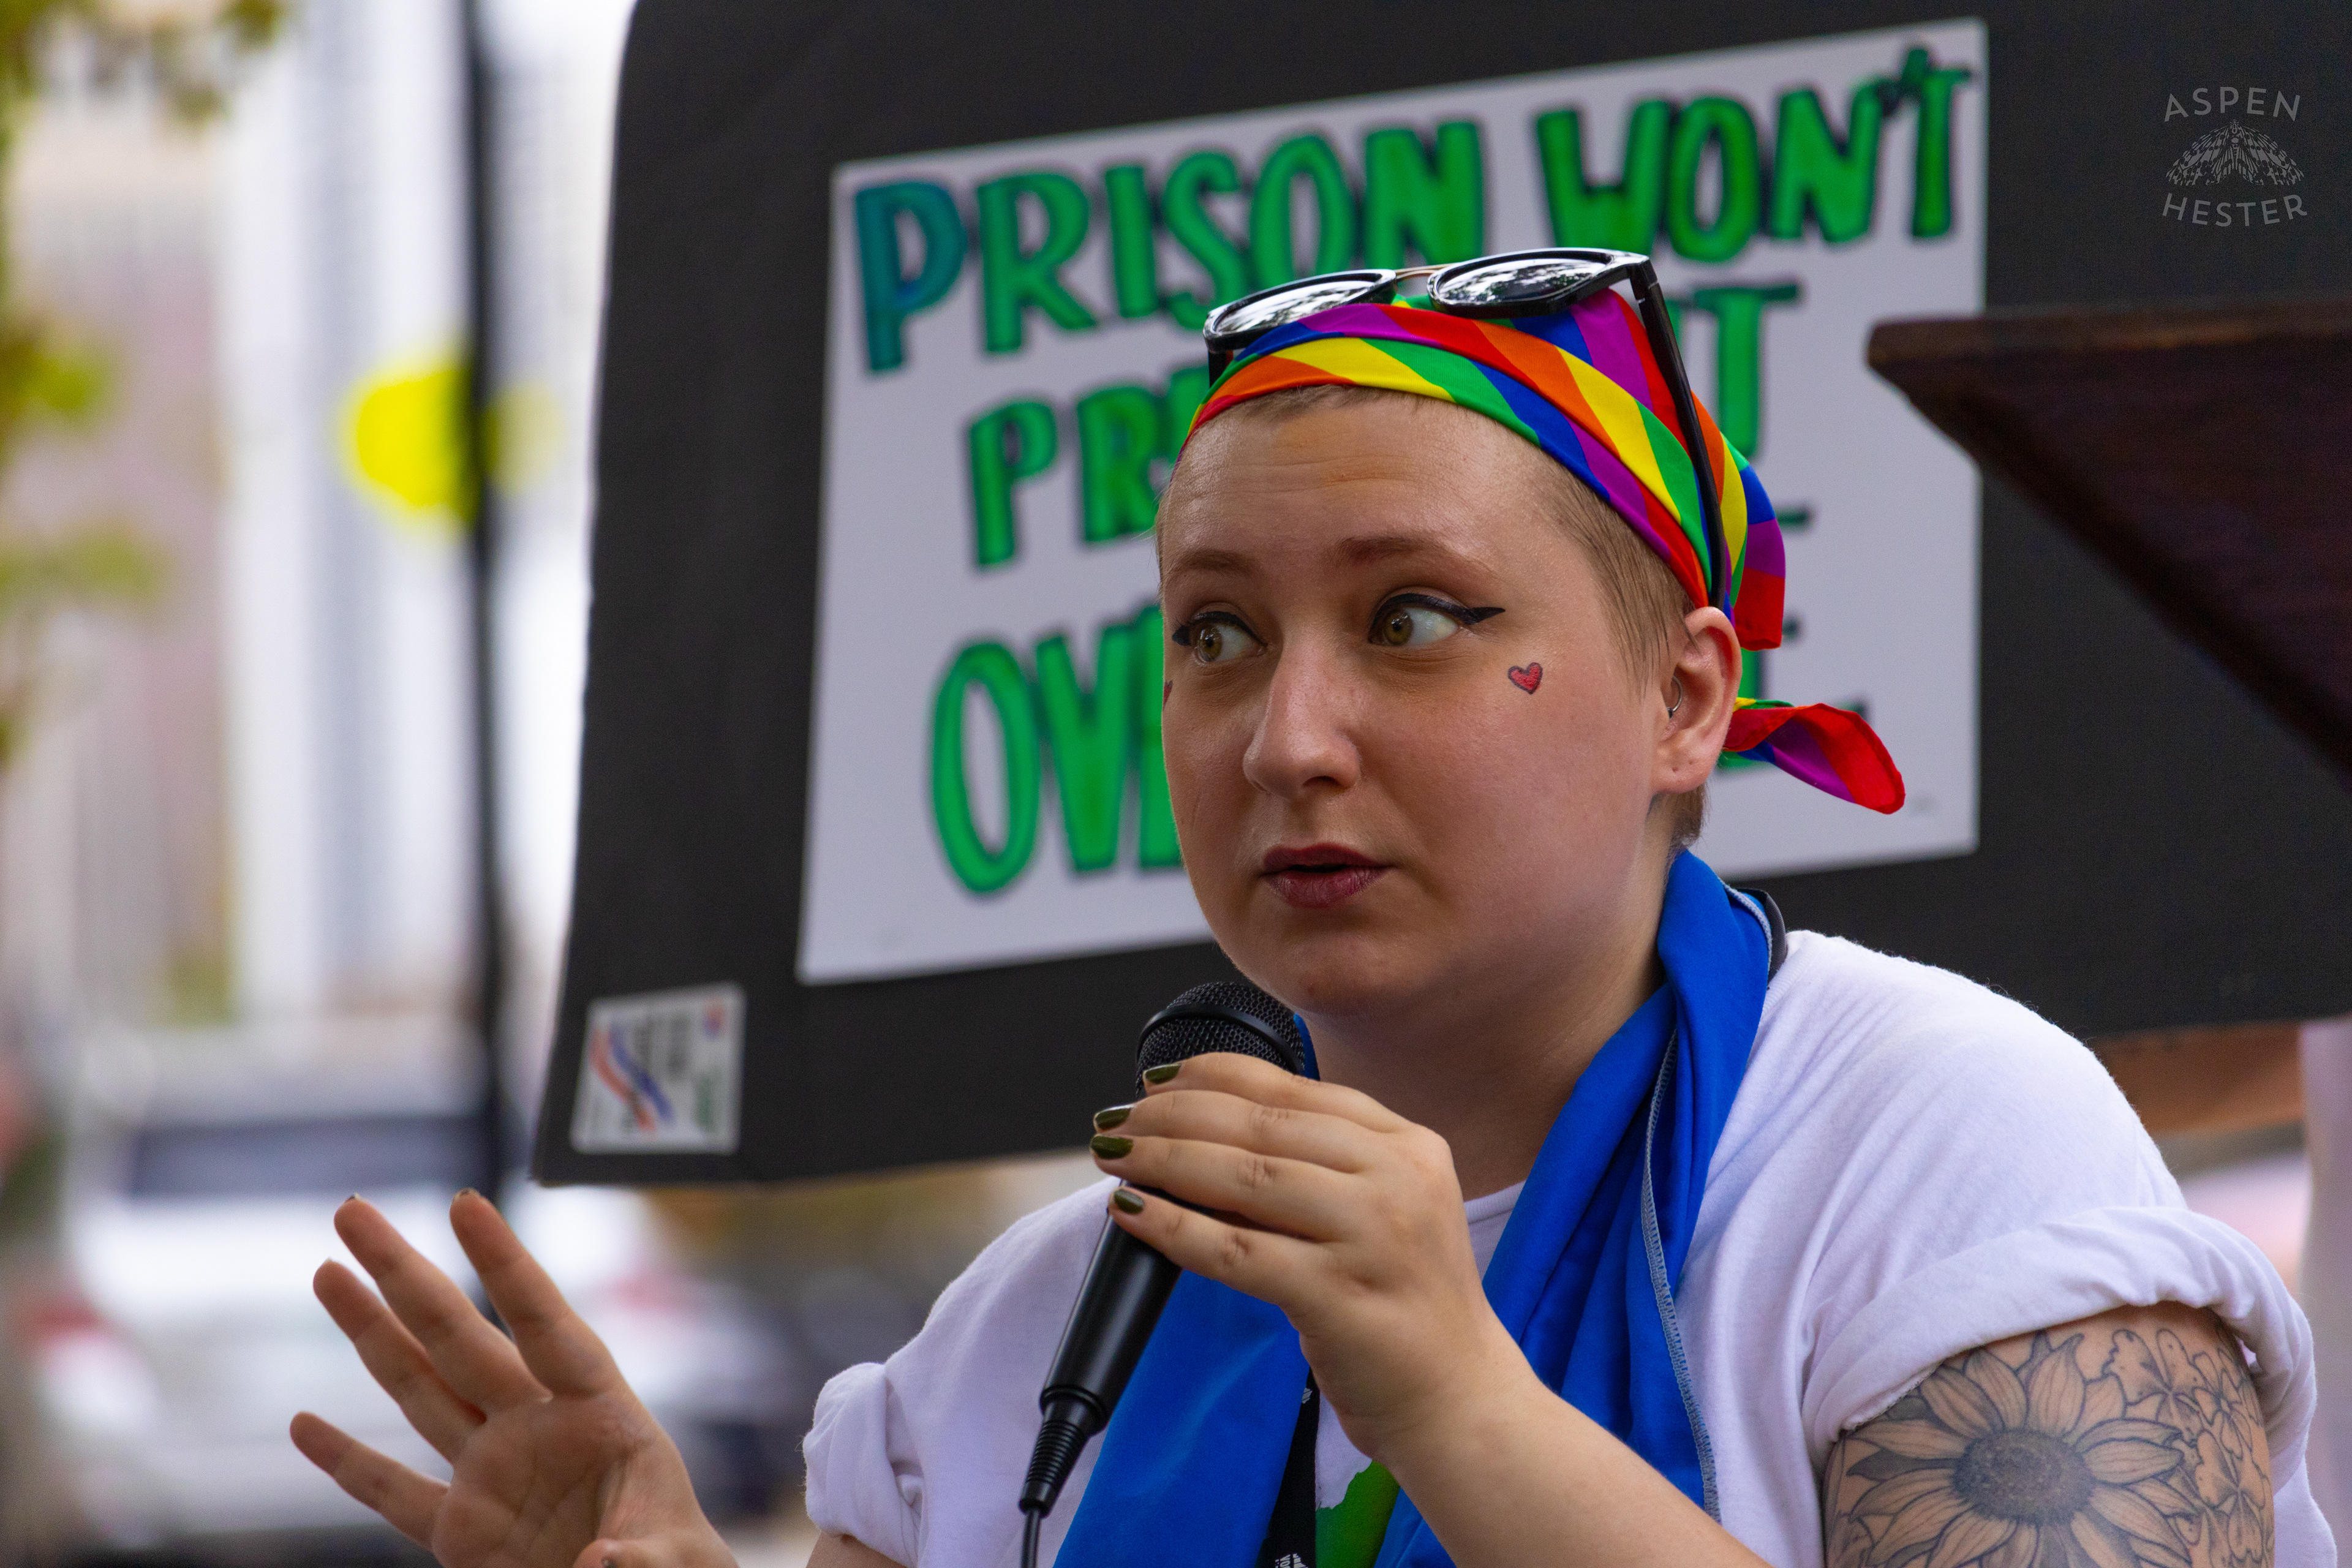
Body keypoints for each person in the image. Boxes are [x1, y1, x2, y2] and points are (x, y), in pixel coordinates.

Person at [292, 251, 2326, 1568]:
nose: (1290, 736)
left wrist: (1453, 1401)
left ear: (1689, 697)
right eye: (1217, 636)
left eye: (1417, 618)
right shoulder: (1029, 1331)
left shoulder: (1937, 1143)